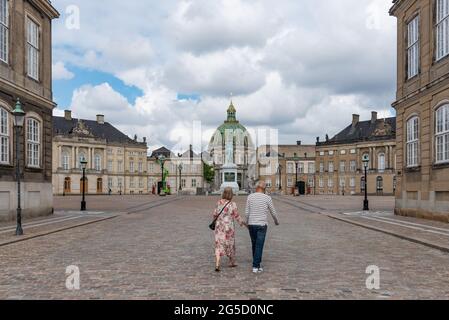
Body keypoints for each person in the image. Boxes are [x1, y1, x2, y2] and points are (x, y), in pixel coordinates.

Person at [245, 181, 280, 274]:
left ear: (256, 188)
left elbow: (247, 212)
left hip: (252, 224)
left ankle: (257, 264)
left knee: (254, 244)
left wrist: (246, 222)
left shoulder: (250, 197)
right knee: (259, 245)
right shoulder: (267, 198)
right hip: (261, 225)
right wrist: (276, 221)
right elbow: (273, 211)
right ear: (264, 189)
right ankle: (255, 266)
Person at [213, 187, 247, 272]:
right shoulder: (233, 204)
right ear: (231, 194)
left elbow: (214, 214)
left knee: (218, 245)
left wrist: (216, 221)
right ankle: (232, 262)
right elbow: (237, 216)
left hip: (219, 227)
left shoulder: (218, 203)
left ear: (223, 193)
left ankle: (217, 263)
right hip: (229, 227)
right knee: (230, 244)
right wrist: (244, 224)